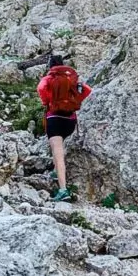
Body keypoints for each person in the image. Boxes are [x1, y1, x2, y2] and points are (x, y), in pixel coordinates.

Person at [37, 56, 92, 202]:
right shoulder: (71, 77)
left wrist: (47, 101)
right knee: (60, 150)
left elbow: (41, 88)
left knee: (57, 152)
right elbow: (87, 91)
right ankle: (56, 172)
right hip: (71, 120)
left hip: (54, 118)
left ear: (50, 66)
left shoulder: (49, 78)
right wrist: (74, 102)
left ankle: (63, 190)